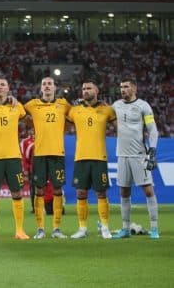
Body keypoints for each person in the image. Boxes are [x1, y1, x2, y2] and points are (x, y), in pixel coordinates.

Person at [0, 78, 30, 240]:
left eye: (2, 85)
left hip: (14, 156)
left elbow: (27, 119)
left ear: (8, 88)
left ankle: (20, 230)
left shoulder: (17, 106)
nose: (0, 87)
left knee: (17, 192)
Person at [111, 78, 160, 239]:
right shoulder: (116, 106)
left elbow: (152, 130)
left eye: (125, 86)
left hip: (139, 155)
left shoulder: (143, 106)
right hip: (122, 155)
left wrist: (152, 150)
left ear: (134, 88)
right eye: (121, 87)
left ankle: (154, 228)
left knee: (148, 190)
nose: (122, 89)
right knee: (124, 192)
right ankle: (125, 228)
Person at [66, 80, 115, 239]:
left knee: (101, 193)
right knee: (81, 193)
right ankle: (82, 228)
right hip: (81, 157)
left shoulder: (107, 110)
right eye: (83, 89)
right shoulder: (75, 110)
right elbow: (61, 121)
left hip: (99, 157)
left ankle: (105, 227)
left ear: (97, 90)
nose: (85, 91)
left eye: (89, 88)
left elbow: (119, 128)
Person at [24, 77, 71, 239]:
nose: (47, 86)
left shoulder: (64, 105)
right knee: (39, 190)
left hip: (57, 154)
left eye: (50, 84)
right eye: (44, 84)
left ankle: (56, 228)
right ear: (41, 88)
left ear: (54, 87)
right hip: (40, 155)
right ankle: (40, 229)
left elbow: (74, 118)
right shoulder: (32, 104)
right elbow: (19, 113)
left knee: (57, 189)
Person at [20, 129, 35, 213]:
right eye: (31, 130)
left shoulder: (41, 138)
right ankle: (34, 207)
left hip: (43, 167)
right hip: (32, 169)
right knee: (33, 188)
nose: (32, 131)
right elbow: (24, 157)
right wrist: (26, 169)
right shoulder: (25, 142)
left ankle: (47, 205)